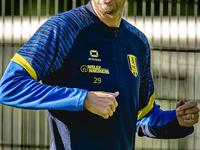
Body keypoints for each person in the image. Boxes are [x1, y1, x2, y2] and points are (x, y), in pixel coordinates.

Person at [0, 0, 199, 149]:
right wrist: (83, 98)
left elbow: (140, 116)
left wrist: (176, 120)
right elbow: (10, 86)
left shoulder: (138, 43)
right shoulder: (63, 28)